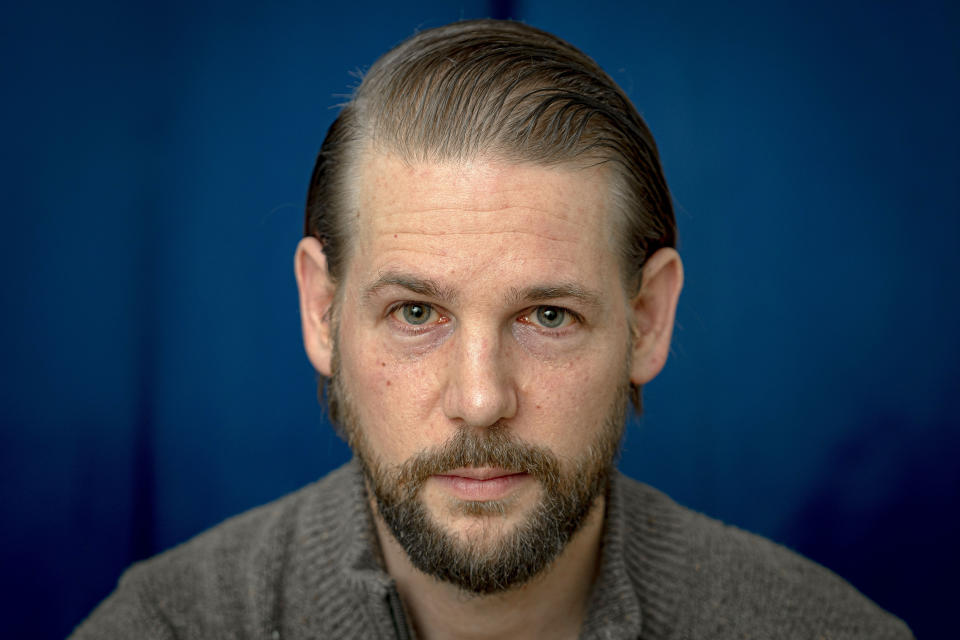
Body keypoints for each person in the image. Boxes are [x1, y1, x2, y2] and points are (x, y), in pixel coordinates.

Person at [72, 19, 913, 639]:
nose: (480, 401)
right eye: (415, 314)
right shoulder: (164, 625)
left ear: (647, 319)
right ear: (322, 312)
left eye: (548, 316)